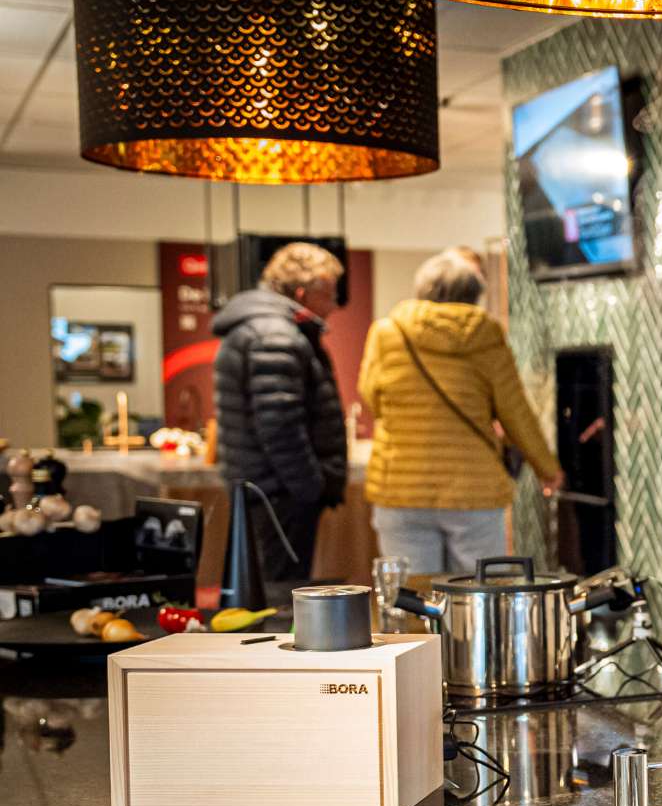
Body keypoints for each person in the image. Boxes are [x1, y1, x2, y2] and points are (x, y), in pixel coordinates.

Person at [358, 248, 563, 575]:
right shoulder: (487, 335)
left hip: (401, 486)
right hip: (473, 488)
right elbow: (515, 412)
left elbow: (371, 396)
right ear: (474, 294)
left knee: (412, 592)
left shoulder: (386, 333)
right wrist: (547, 468)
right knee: (479, 590)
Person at [212, 242, 349, 583]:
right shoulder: (276, 335)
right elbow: (279, 426)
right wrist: (310, 487)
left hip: (265, 488)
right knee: (281, 590)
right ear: (302, 293)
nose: (334, 305)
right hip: (280, 494)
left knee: (267, 585)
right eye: (329, 294)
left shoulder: (259, 328)